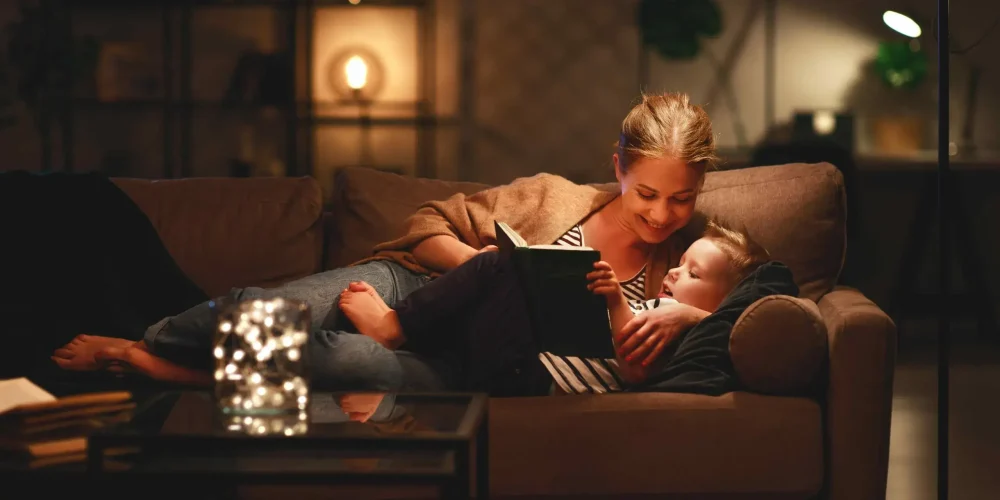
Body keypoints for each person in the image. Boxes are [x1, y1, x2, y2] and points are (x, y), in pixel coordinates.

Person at [51, 92, 720, 392]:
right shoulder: (552, 198)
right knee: (272, 311)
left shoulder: (687, 263)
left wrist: (691, 312)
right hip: (417, 291)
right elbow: (425, 224)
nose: (663, 216)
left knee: (349, 367)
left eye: (682, 199)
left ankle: (177, 371)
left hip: (463, 361)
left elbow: (768, 292)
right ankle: (154, 341)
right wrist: (473, 260)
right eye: (647, 194)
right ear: (618, 169)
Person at [338, 218, 771, 396]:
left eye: (693, 273)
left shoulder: (679, 325)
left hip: (528, 380)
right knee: (506, 273)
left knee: (497, 266)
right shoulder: (665, 310)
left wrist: (619, 300)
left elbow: (635, 364)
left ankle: (395, 326)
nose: (675, 273)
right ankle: (409, 326)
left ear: (724, 302)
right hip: (521, 361)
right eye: (679, 264)